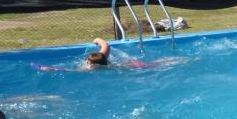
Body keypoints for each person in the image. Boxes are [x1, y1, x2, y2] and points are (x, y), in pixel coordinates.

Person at [35, 38, 185, 72]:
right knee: (157, 63)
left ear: (91, 64)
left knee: (156, 65)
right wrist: (96, 39)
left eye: (87, 61)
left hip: (131, 67)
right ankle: (177, 60)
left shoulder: (90, 70)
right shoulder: (103, 58)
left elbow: (66, 71)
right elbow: (106, 45)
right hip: (132, 64)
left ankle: (177, 61)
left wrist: (46, 68)